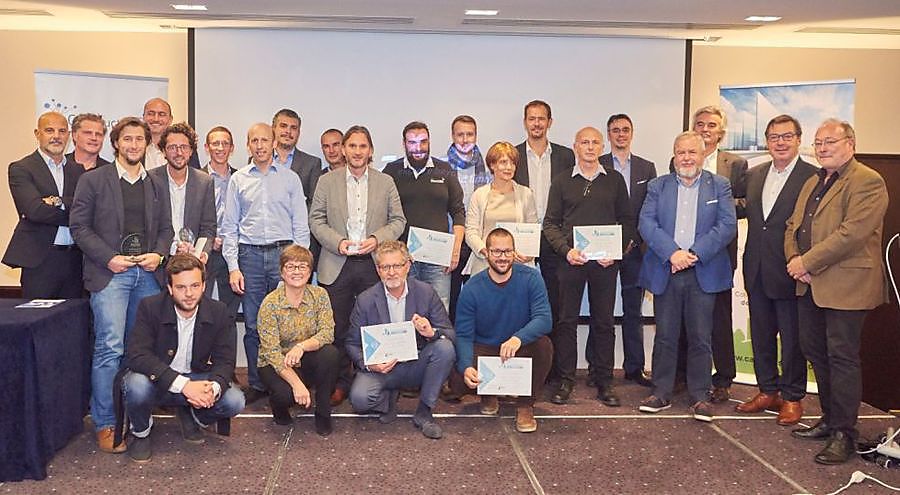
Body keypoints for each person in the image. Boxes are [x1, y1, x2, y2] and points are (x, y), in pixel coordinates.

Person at [785, 119, 889, 464]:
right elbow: (793, 226)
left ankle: (845, 433)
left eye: (830, 141)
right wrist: (795, 259)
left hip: (846, 286)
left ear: (851, 143)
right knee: (816, 352)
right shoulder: (813, 181)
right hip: (810, 283)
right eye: (818, 143)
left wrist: (807, 262)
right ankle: (830, 420)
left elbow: (852, 234)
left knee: (842, 358)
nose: (823, 148)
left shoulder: (868, 181)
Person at [70, 116, 174, 452]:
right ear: (116, 143)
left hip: (147, 275)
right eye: (127, 139)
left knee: (140, 350)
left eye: (139, 139)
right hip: (111, 275)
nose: (133, 145)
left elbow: (166, 229)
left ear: (147, 144)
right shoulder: (93, 180)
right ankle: (106, 422)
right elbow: (79, 227)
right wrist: (109, 258)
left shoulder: (156, 183)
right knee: (110, 349)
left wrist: (159, 254)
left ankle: (135, 416)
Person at [637, 131, 736, 422]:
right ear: (674, 155)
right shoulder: (658, 186)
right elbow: (646, 223)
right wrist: (672, 254)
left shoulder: (720, 186)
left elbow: (727, 225)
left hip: (703, 270)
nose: (686, 158)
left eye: (692, 152)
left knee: (701, 337)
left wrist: (693, 253)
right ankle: (661, 393)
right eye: (681, 152)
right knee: (665, 336)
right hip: (667, 269)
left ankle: (700, 396)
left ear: (703, 154)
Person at [309, 125, 406, 405]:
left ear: (371, 150)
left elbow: (398, 220)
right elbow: (316, 219)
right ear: (343, 149)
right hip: (336, 263)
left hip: (373, 264)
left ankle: (375, 380)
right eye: (352, 146)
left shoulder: (385, 182)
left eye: (363, 146)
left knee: (374, 325)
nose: (357, 151)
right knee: (337, 328)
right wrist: (337, 242)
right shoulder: (326, 182)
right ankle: (340, 383)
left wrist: (377, 240)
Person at [542, 127, 634, 406]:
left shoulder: (615, 180)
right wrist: (566, 251)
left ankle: (604, 380)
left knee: (604, 322)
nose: (590, 147)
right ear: (575, 147)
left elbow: (627, 221)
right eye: (585, 142)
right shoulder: (561, 181)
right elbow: (550, 224)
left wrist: (615, 252)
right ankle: (565, 380)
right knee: (566, 321)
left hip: (605, 263)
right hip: (571, 261)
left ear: (602, 147)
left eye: (595, 142)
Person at [734, 115, 816, 426]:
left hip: (791, 270)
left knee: (793, 339)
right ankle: (767, 390)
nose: (780, 142)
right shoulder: (754, 174)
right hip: (756, 268)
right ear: (766, 141)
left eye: (786, 136)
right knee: (761, 335)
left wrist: (804, 261)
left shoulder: (812, 177)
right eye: (773, 137)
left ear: (798, 139)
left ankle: (792, 397)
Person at [123, 254, 244, 463]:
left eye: (195, 286)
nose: (189, 294)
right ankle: (141, 432)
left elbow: (225, 361)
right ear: (170, 288)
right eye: (181, 287)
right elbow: (137, 355)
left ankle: (195, 416)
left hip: (196, 378)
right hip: (158, 381)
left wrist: (212, 389)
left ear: (204, 286)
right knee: (136, 385)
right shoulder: (150, 307)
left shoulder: (219, 311)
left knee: (235, 401)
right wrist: (184, 385)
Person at [220, 122, 310, 404]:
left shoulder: (290, 178)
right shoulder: (238, 180)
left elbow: (300, 225)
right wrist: (233, 267)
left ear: (274, 143)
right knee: (253, 324)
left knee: (287, 323)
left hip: (285, 255)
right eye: (254, 141)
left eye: (264, 140)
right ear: (248, 145)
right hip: (250, 257)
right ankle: (258, 383)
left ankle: (285, 383)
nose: (259, 145)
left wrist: (299, 265)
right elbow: (230, 227)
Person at [345, 241, 456, 439]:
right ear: (378, 270)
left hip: (416, 364)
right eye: (385, 267)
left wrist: (431, 332)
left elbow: (450, 334)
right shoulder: (365, 300)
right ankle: (388, 399)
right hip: (382, 369)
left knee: (444, 348)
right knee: (360, 399)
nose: (391, 272)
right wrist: (370, 365)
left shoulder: (426, 292)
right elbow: (352, 344)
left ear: (408, 266)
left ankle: (424, 412)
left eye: (397, 265)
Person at [452, 228, 553, 432]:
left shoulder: (532, 278)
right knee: (456, 375)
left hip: (519, 348)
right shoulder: (472, 287)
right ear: (487, 253)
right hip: (485, 349)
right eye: (496, 251)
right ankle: (488, 393)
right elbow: (463, 335)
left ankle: (525, 405)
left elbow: (544, 319)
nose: (502, 257)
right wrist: (466, 367)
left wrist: (518, 338)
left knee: (544, 346)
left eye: (507, 251)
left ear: (514, 252)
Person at [685, 105, 748, 403]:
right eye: (700, 124)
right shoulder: (681, 159)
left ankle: (723, 378)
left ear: (721, 132)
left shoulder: (734, 164)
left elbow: (745, 204)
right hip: (685, 253)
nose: (705, 129)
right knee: (685, 317)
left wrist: (714, 205)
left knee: (720, 318)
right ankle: (685, 375)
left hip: (719, 253)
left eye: (711, 125)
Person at [592, 113, 656, 388]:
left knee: (633, 310)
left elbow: (650, 209)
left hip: (635, 249)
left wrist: (631, 239)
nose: (621, 134)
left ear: (632, 133)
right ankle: (596, 367)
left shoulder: (646, 168)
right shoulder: (597, 164)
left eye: (625, 129)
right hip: (603, 249)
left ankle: (634, 367)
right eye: (615, 130)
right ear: (608, 135)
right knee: (601, 310)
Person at [512, 100, 575, 351]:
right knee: (520, 299)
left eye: (541, 118)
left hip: (554, 236)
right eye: (532, 118)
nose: (536, 123)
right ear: (525, 122)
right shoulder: (513, 155)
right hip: (521, 236)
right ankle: (525, 360)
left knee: (554, 301)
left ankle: (553, 363)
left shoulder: (566, 156)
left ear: (550, 122)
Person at [257, 245, 339, 436]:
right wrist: (297, 385)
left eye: (302, 266)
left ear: (310, 272)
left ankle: (323, 413)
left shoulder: (320, 295)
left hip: (306, 357)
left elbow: (327, 333)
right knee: (285, 395)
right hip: (276, 363)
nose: (297, 271)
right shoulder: (270, 304)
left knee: (331, 354)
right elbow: (272, 353)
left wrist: (301, 347)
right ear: (281, 272)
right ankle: (278, 407)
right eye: (290, 266)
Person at [383, 121, 465, 310]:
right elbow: (383, 213)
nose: (418, 148)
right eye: (412, 142)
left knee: (439, 309)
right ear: (404, 144)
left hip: (438, 258)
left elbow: (458, 212)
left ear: (429, 142)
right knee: (405, 309)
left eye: (423, 141)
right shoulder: (391, 171)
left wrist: (455, 249)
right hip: (403, 258)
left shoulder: (445, 169)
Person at [4, 111, 85, 298]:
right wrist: (72, 209)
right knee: (38, 315)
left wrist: (57, 201)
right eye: (49, 130)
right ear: (37, 133)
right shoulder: (21, 168)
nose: (56, 136)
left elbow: (87, 211)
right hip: (40, 261)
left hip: (75, 261)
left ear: (69, 135)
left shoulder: (78, 170)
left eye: (62, 131)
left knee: (72, 314)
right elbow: (35, 210)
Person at [148, 123, 216, 270]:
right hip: (160, 260)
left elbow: (208, 227)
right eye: (172, 147)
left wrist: (201, 252)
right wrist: (172, 248)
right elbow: (149, 226)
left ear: (191, 151)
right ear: (163, 151)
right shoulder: (150, 179)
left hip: (192, 261)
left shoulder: (205, 181)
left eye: (184, 147)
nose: (179, 152)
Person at [464, 141, 537, 275]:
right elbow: (470, 232)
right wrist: (486, 252)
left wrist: (529, 254)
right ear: (492, 165)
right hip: (485, 264)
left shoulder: (526, 194)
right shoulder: (479, 195)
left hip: (518, 265)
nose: (509, 167)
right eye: (503, 162)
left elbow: (533, 229)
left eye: (512, 163)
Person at [446, 115, 491, 320]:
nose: (465, 140)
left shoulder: (488, 168)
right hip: (450, 240)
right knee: (451, 297)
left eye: (469, 134)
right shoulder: (441, 167)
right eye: (460, 135)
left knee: (479, 299)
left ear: (476, 136)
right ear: (452, 136)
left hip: (478, 241)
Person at [201, 126, 240, 316]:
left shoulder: (241, 177)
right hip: (206, 252)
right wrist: (210, 241)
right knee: (199, 305)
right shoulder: (196, 178)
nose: (220, 148)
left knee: (229, 312)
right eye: (215, 143)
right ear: (206, 147)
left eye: (225, 143)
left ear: (232, 148)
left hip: (234, 251)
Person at [272, 108, 322, 210]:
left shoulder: (312, 163)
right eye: (283, 126)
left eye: (293, 128)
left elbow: (314, 203)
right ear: (273, 129)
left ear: (298, 132)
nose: (288, 131)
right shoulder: (259, 160)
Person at [142, 98, 174, 170]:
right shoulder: (135, 148)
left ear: (170, 119)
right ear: (143, 117)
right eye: (151, 114)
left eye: (161, 115)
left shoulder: (184, 148)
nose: (156, 119)